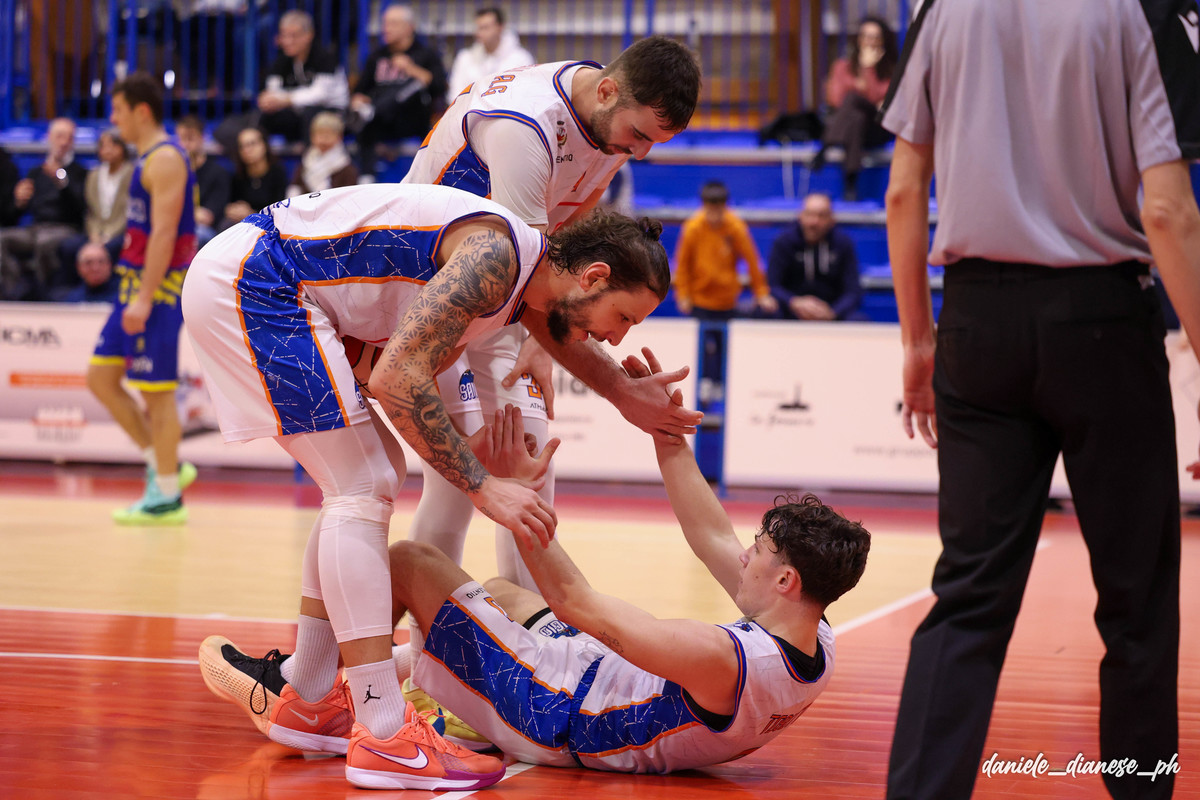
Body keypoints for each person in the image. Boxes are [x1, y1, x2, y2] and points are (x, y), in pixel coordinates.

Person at [181, 182, 693, 790]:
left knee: (372, 475)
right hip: (258, 282)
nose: (618, 338)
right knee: (362, 482)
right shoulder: (495, 258)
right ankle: (383, 732)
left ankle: (310, 695)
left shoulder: (523, 280)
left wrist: (622, 393)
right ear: (593, 277)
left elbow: (546, 334)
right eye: (624, 317)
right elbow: (397, 377)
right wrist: (483, 486)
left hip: (276, 284)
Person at [198, 379, 871, 775]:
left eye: (760, 551)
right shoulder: (814, 639)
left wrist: (513, 496)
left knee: (407, 562)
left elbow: (577, 603)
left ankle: (314, 696)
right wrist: (667, 438)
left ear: (786, 581)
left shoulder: (723, 659)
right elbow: (711, 536)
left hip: (554, 711)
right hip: (592, 677)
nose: (744, 554)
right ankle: (414, 680)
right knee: (503, 592)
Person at [880, 1, 1200, 798]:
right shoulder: (1139, 8)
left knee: (967, 597)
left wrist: (918, 342)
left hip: (976, 322)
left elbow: (903, 193)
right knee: (1137, 600)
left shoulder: (941, 9)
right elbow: (1167, 211)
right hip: (1103, 324)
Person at [397, 35, 702, 739]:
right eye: (638, 136)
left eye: (652, 144)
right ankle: (425, 675)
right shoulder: (526, 130)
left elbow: (561, 244)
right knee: (461, 474)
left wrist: (542, 343)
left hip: (500, 293)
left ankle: (534, 658)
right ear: (607, 92)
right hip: (429, 294)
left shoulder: (606, 125)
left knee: (530, 462)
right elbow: (529, 280)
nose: (638, 153)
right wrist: (614, 388)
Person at [86, 72, 199, 525]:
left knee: (157, 394)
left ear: (142, 111)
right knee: (101, 378)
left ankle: (167, 497)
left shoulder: (166, 158)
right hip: (133, 284)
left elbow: (164, 234)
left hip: (158, 288)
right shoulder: (147, 158)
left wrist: (145, 298)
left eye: (118, 111)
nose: (113, 120)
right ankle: (165, 465)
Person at [214, 9, 349, 153]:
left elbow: (319, 95)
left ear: (309, 35)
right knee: (261, 118)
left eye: (294, 36)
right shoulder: (282, 60)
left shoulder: (325, 57)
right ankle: (258, 156)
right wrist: (268, 100)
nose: (288, 41)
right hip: (295, 115)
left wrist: (286, 99)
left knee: (312, 114)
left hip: (331, 114)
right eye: (284, 35)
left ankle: (310, 159)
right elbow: (272, 89)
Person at [348, 4, 448, 178]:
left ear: (409, 27)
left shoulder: (425, 54)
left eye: (393, 24)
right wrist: (358, 99)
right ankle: (366, 177)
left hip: (411, 118)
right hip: (380, 121)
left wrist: (411, 69)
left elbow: (440, 87)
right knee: (365, 120)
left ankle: (372, 110)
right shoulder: (377, 56)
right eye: (385, 23)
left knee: (413, 85)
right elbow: (361, 90)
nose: (386, 29)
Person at [0, 118, 87, 301]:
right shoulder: (35, 172)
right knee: (3, 239)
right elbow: (16, 213)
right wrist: (19, 202)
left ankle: (45, 296)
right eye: (60, 136)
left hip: (65, 228)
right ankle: (14, 291)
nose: (64, 142)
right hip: (36, 228)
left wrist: (61, 181)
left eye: (70, 138)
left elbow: (80, 209)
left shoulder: (80, 172)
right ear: (49, 138)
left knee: (44, 243)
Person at [814, 16, 897, 201]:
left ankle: (827, 144)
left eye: (876, 37)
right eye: (866, 36)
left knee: (853, 100)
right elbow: (836, 100)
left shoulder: (892, 70)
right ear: (859, 39)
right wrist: (862, 80)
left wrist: (867, 70)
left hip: (877, 128)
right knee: (856, 116)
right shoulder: (842, 66)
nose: (870, 42)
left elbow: (883, 105)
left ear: (884, 41)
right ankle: (850, 180)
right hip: (853, 127)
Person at [672, 181, 776, 320]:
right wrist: (683, 295)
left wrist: (761, 293)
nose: (714, 216)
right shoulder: (692, 228)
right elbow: (683, 264)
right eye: (711, 210)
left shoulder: (736, 227)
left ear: (725, 206)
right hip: (699, 299)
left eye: (719, 211)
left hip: (727, 299)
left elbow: (752, 261)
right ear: (704, 206)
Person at [56, 128, 133, 293]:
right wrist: (95, 234)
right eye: (103, 146)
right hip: (96, 231)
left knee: (113, 247)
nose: (108, 150)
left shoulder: (132, 174)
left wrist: (109, 235)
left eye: (113, 145)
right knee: (68, 247)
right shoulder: (94, 175)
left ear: (122, 148)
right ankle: (70, 293)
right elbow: (90, 210)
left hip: (121, 231)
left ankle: (111, 292)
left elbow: (128, 211)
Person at [766, 192, 864, 321]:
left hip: (831, 313)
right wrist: (794, 302)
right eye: (809, 214)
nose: (814, 222)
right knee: (764, 310)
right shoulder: (783, 241)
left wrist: (833, 312)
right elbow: (772, 286)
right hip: (791, 311)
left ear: (832, 219)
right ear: (800, 216)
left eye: (821, 216)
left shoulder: (843, 244)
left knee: (858, 320)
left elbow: (853, 292)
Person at [444, 6, 534, 102]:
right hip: (471, 110)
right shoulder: (465, 57)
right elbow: (455, 95)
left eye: (485, 28)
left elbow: (526, 94)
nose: (480, 33)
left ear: (500, 27)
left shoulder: (521, 58)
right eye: (479, 28)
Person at [175, 115, 231, 248]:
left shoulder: (218, 172)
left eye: (190, 138)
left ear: (202, 138)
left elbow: (206, 218)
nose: (185, 144)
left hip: (209, 233)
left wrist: (178, 212)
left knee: (199, 234)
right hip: (180, 226)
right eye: (181, 139)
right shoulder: (174, 172)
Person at [220, 126, 288, 231]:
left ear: (264, 145)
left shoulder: (277, 173)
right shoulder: (238, 175)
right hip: (242, 225)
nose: (247, 150)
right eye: (242, 146)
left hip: (270, 228)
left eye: (252, 144)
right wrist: (231, 210)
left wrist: (251, 214)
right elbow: (230, 204)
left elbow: (279, 211)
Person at [286, 112, 358, 197]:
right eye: (320, 133)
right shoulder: (305, 162)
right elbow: (295, 188)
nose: (323, 138)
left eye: (328, 134)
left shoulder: (346, 168)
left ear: (339, 137)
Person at [52, 240, 120, 304]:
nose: (95, 268)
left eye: (101, 262)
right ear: (79, 267)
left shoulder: (123, 296)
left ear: (110, 265)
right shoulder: (72, 300)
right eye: (88, 263)